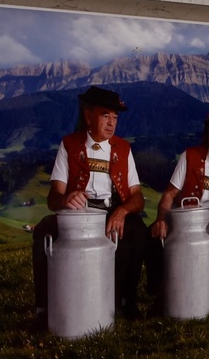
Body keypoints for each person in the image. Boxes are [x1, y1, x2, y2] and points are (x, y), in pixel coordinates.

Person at [32, 86, 147, 325]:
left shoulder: (124, 148)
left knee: (136, 230)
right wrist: (65, 200)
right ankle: (43, 308)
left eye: (115, 117)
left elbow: (137, 196)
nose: (111, 123)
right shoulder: (69, 145)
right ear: (88, 115)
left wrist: (123, 211)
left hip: (112, 210)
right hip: (78, 215)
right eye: (106, 115)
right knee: (44, 230)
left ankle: (126, 301)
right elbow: (53, 197)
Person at [147, 112, 209, 308]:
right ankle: (160, 294)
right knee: (154, 238)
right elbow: (169, 194)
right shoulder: (190, 156)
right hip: (184, 217)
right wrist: (161, 219)